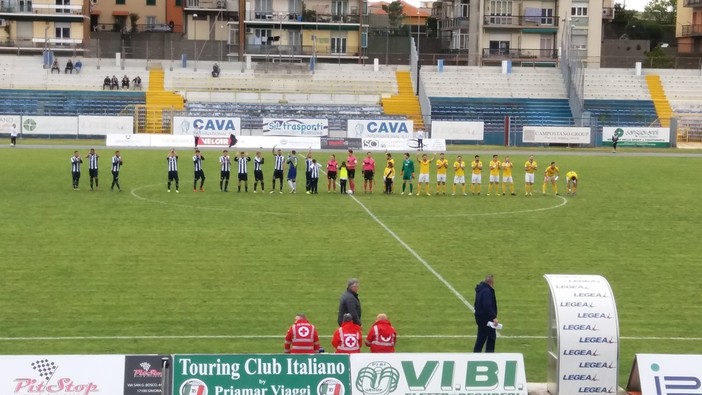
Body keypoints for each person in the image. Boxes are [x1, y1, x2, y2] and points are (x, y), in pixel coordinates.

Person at [473, 274, 498, 353]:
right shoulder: (487, 291)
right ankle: (489, 355)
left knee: (481, 337)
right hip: (487, 319)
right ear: (492, 282)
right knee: (491, 337)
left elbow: (476, 304)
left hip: (480, 318)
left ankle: (476, 354)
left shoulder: (480, 290)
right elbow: (487, 305)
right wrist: (493, 317)